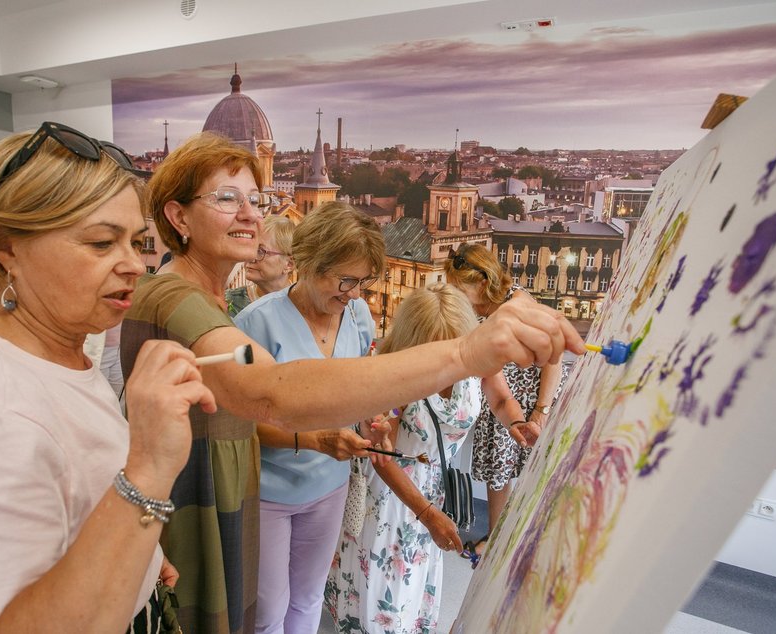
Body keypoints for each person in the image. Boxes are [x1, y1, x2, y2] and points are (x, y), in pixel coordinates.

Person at [119, 132, 584, 634]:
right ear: (178, 216)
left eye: (256, 198)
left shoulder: (221, 303)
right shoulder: (195, 304)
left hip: (244, 494)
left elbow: (333, 384)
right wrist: (464, 353)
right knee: (256, 612)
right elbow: (272, 394)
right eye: (227, 198)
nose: (252, 214)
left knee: (287, 603)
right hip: (215, 503)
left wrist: (372, 419)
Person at [0, 121, 218, 633]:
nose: (133, 265)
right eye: (102, 243)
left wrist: (136, 556)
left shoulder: (56, 351)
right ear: (5, 248)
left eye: (138, 242)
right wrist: (148, 469)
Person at [326, 284, 525, 633]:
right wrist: (426, 512)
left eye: (455, 345)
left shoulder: (471, 355)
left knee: (413, 585)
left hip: (434, 490)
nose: (448, 357)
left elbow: (500, 399)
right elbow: (380, 454)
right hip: (390, 495)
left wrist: (520, 422)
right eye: (438, 347)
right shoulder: (390, 371)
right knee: (385, 591)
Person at [234, 202, 384, 634]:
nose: (354, 293)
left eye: (364, 281)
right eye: (346, 280)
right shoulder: (255, 324)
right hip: (269, 494)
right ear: (309, 264)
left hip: (330, 487)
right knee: (267, 612)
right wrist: (314, 440)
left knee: (309, 599)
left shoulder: (357, 316)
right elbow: (238, 422)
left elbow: (360, 389)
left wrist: (373, 421)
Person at [444, 242, 569, 564]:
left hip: (532, 395)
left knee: (533, 476)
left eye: (460, 288)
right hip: (501, 393)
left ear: (483, 283)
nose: (456, 295)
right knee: (498, 475)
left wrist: (541, 411)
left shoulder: (519, 305)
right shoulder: (482, 309)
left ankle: (529, 545)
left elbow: (554, 358)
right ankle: (498, 539)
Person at [226, 214, 295, 317]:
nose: (250, 257)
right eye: (250, 247)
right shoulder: (228, 303)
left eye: (260, 251)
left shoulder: (305, 307)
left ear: (289, 264)